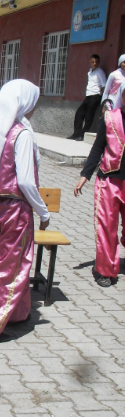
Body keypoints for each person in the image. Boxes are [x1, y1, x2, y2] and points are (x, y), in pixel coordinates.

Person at [0, 79, 50, 344]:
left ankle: (16, 312)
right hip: (16, 207)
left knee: (8, 259)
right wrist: (44, 211)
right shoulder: (22, 134)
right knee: (10, 264)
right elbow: (26, 181)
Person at [74, 82, 125, 287]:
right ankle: (105, 270)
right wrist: (85, 175)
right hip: (109, 180)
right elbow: (98, 147)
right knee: (107, 227)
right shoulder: (110, 117)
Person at [68, 54, 106, 141]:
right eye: (93, 62)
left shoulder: (100, 72)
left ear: (99, 62)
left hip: (96, 95)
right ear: (90, 62)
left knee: (89, 116)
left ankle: (82, 135)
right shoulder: (89, 72)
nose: (94, 63)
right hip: (88, 96)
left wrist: (103, 99)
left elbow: (104, 85)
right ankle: (76, 134)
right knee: (79, 113)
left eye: (96, 62)